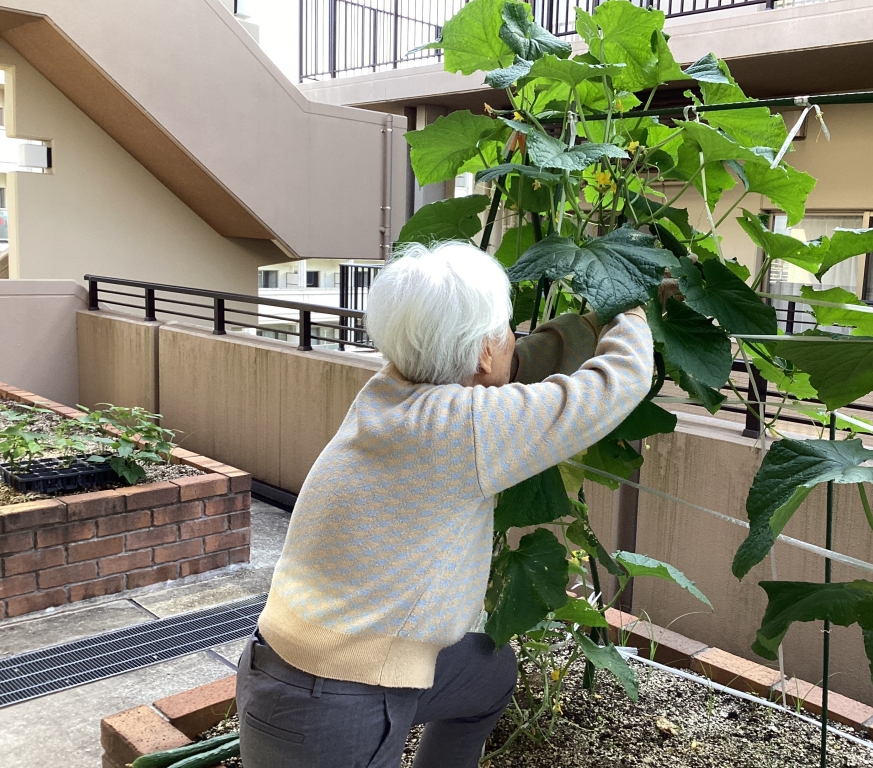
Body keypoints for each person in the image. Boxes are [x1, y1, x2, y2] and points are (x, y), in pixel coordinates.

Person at [235, 240, 653, 768]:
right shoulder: (466, 429)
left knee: (489, 670)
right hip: (330, 702)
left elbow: (518, 365)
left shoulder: (392, 388)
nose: (513, 341)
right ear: (482, 351)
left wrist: (594, 320)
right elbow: (617, 384)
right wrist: (631, 302)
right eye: (506, 330)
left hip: (287, 661)